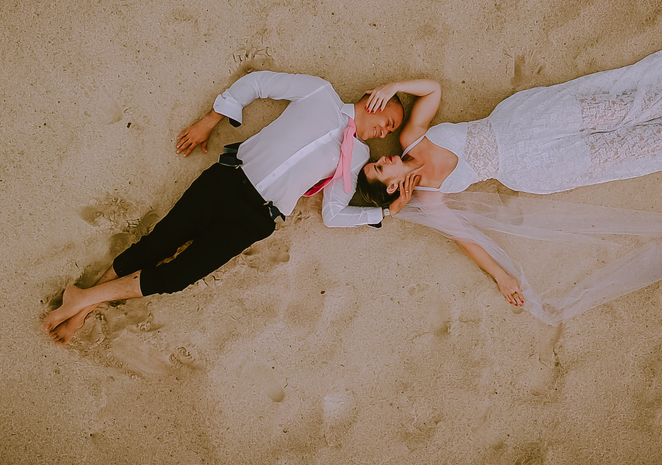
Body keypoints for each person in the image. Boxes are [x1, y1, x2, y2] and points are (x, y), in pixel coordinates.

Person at [355, 42, 662, 323]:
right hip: (529, 166)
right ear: (392, 188)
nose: (383, 158)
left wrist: (393, 86)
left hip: (520, 122)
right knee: (615, 150)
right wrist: (502, 277)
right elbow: (466, 239)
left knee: (609, 111)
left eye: (375, 162)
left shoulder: (412, 138)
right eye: (380, 169)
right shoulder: (430, 196)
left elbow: (432, 89)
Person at [44, 69, 404, 344]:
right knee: (157, 244)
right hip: (227, 181)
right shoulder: (319, 92)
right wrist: (210, 120)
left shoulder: (358, 156)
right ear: (375, 98)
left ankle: (83, 300)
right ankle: (83, 306)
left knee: (178, 276)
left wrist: (385, 211)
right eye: (389, 121)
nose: (385, 132)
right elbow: (258, 82)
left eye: (391, 131)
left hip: (257, 219)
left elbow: (334, 213)